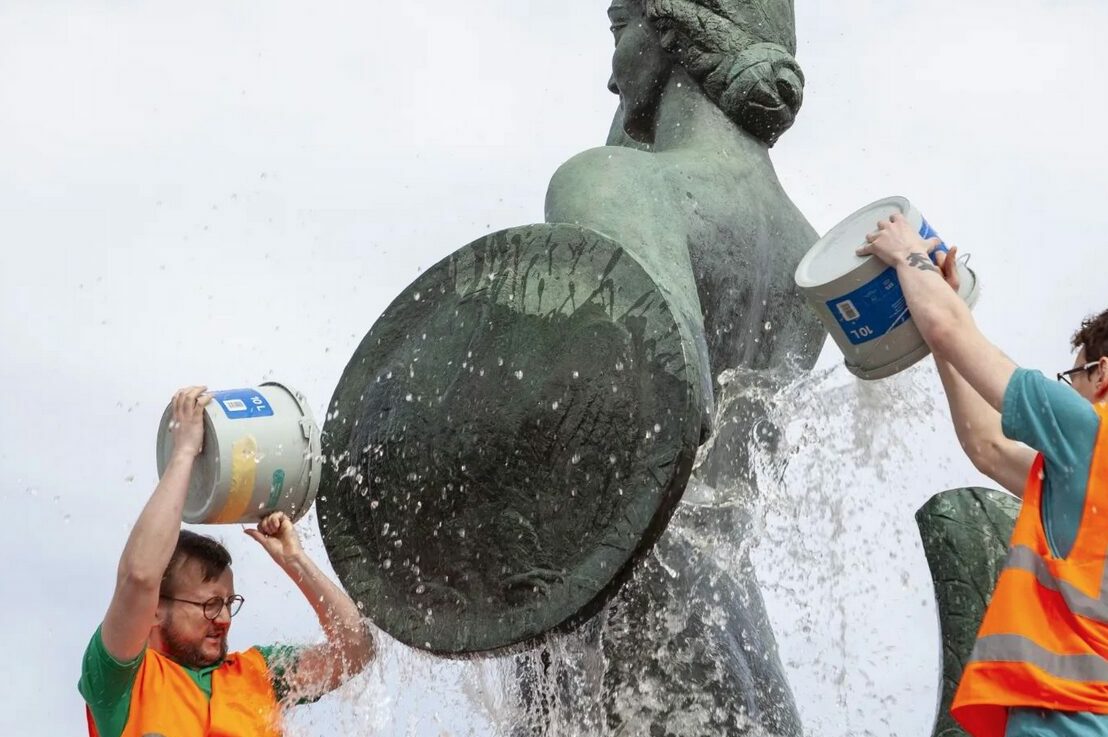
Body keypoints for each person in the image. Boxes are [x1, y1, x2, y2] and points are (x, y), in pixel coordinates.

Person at [859, 214, 1108, 737]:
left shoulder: (1089, 430)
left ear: (1101, 373)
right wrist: (938, 320)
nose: (1072, 389)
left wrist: (909, 255)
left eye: (1074, 375)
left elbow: (952, 330)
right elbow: (989, 446)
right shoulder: (1083, 479)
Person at [78, 385, 375, 737]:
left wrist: (295, 561)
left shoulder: (260, 673)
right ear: (155, 609)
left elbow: (355, 650)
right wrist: (184, 453)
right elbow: (139, 576)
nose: (222, 619)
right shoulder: (119, 683)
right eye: (209, 605)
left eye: (228, 604)